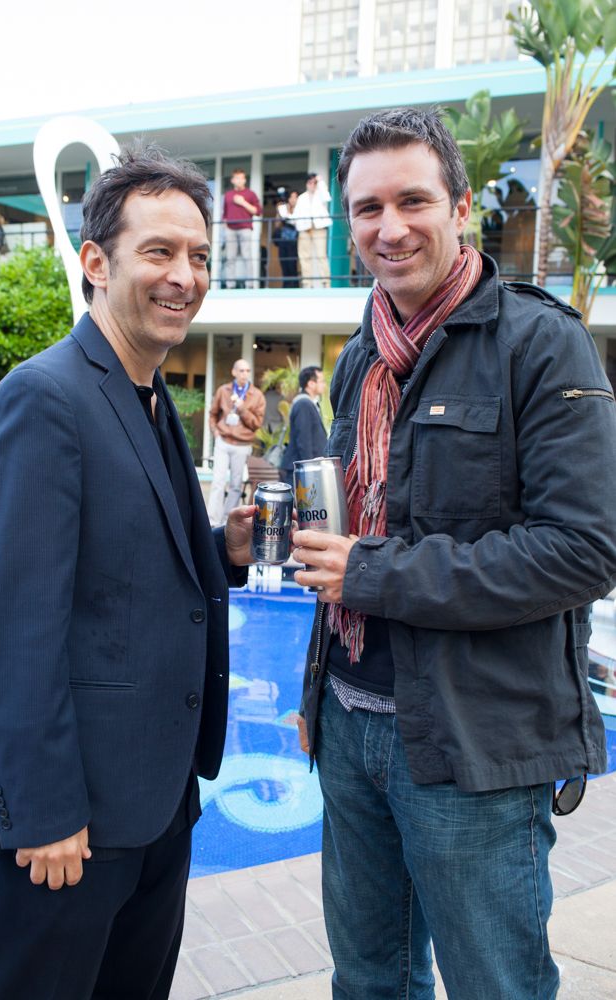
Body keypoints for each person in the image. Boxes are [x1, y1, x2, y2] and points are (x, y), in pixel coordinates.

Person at [291, 108, 616, 1000]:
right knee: (369, 980)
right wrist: (315, 691)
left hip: (472, 746)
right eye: (367, 209)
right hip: (349, 724)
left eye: (412, 201)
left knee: (494, 986)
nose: (389, 227)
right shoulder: (361, 355)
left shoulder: (540, 344)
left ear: (460, 207)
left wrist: (370, 572)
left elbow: (581, 551)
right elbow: (348, 533)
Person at [0, 147, 257, 1000]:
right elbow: (9, 625)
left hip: (157, 804)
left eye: (198, 256)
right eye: (159, 251)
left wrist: (221, 550)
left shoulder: (148, 397)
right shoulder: (43, 397)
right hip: (70, 822)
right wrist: (44, 812)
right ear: (96, 262)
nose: (185, 276)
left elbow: (123, 559)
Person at [206, 359, 265, 526]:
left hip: (242, 445)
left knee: (236, 485)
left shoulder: (257, 395)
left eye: (247, 371)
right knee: (218, 482)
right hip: (223, 441)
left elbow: (256, 424)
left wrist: (242, 409)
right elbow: (213, 413)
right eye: (241, 370)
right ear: (234, 372)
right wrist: (215, 432)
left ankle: (226, 521)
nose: (245, 374)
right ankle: (212, 521)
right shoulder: (223, 390)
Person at [279, 365, 327, 485]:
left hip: (304, 469)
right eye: (322, 381)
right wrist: (310, 470)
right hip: (301, 471)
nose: (324, 385)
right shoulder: (303, 404)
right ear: (311, 384)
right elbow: (304, 440)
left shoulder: (308, 403)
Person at [222, 168, 261, 289]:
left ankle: (250, 285)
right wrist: (225, 226)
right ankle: (230, 285)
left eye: (241, 178)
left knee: (247, 257)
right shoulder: (228, 195)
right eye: (237, 178)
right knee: (230, 258)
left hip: (245, 228)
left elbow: (258, 211)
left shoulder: (250, 194)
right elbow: (224, 214)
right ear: (233, 180)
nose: (239, 180)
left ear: (245, 180)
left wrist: (243, 202)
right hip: (230, 230)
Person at [292, 172, 332, 288]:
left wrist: (320, 181)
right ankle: (307, 283)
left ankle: (326, 282)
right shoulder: (302, 197)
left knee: (321, 255)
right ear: (306, 184)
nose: (312, 185)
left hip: (319, 228)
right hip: (305, 229)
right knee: (304, 257)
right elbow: (296, 215)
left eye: (314, 183)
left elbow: (327, 197)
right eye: (310, 182)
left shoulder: (321, 194)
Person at [273, 189, 299, 286]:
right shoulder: (283, 208)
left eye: (295, 197)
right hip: (283, 241)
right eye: (291, 197)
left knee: (292, 266)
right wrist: (278, 212)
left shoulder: (301, 209)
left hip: (294, 241)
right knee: (284, 265)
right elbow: (277, 225)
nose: (293, 200)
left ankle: (294, 287)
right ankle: (286, 286)